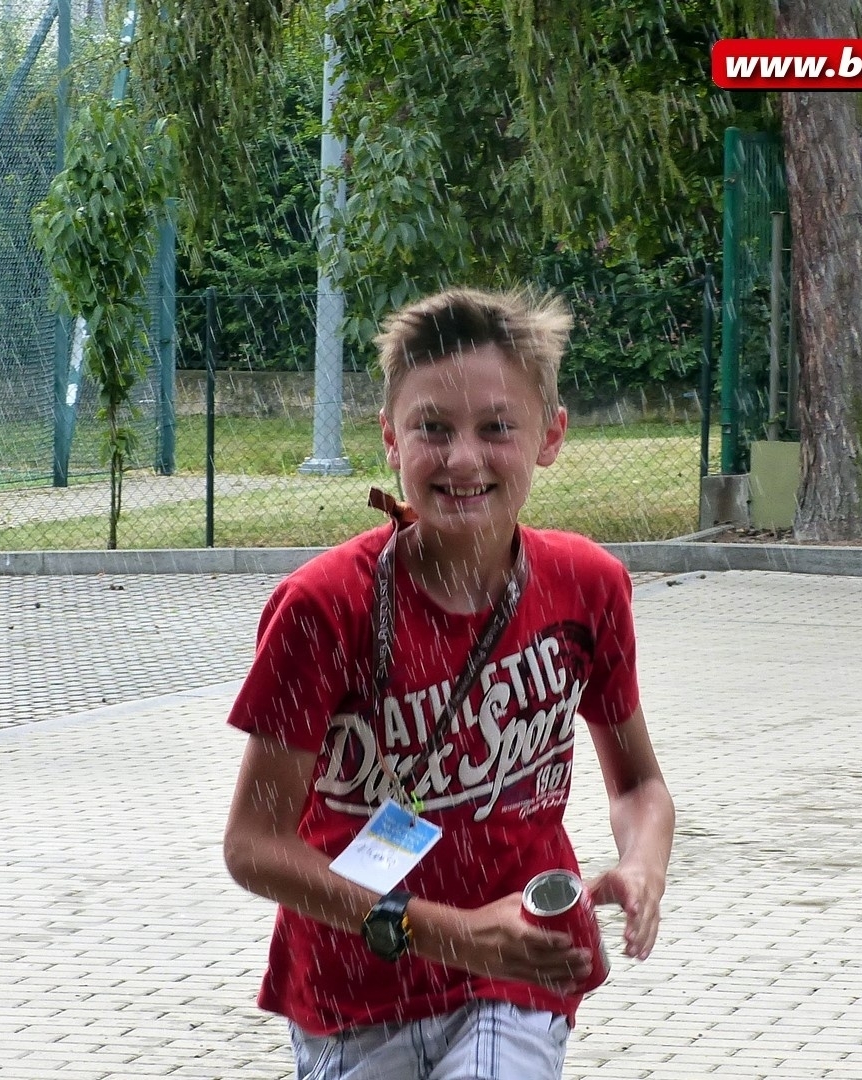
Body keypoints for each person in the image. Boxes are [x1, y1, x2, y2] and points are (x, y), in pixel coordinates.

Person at [222, 286, 675, 1079]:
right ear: (390, 441)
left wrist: (643, 863)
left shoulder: (586, 586)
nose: (463, 458)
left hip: (517, 977)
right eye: (432, 428)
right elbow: (254, 847)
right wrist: (447, 931)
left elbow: (637, 784)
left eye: (496, 427)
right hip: (352, 994)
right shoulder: (323, 610)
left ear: (549, 436)